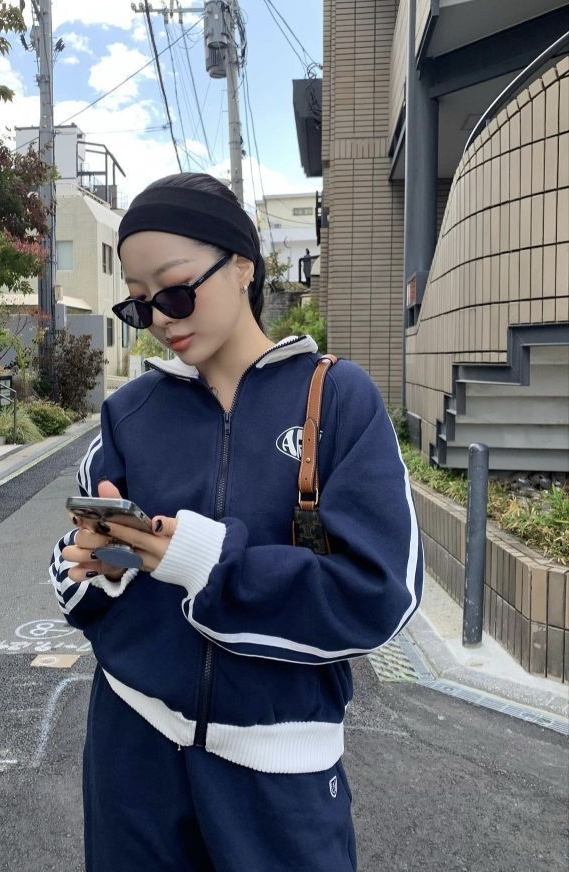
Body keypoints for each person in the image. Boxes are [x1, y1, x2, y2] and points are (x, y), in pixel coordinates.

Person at [49, 172, 423, 871]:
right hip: (131, 749)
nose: (160, 318)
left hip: (279, 768)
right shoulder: (131, 412)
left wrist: (203, 561)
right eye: (138, 304)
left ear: (243, 266)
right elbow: (85, 576)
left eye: (175, 290)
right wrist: (95, 564)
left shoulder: (338, 398)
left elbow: (379, 594)